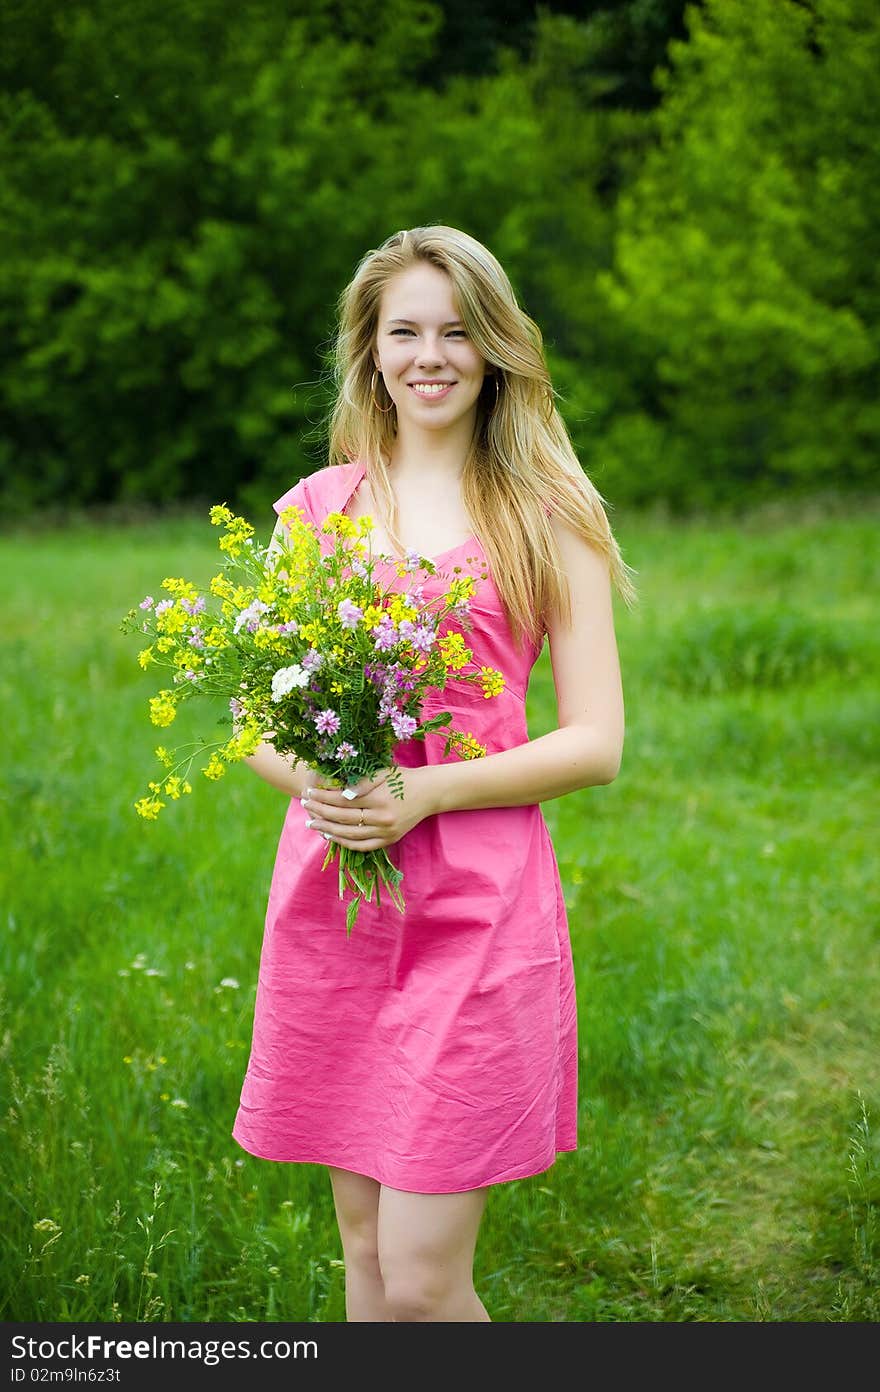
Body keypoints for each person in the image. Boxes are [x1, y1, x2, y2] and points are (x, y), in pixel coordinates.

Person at [231, 224, 637, 1322]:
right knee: (363, 1256)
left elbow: (595, 742)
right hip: (339, 904)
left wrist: (428, 791)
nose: (431, 355)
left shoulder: (549, 518)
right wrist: (315, 785)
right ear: (368, 349)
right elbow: (255, 711)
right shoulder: (317, 512)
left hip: (478, 910)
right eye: (404, 330)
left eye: (458, 331)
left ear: (496, 346)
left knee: (417, 1283)